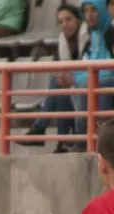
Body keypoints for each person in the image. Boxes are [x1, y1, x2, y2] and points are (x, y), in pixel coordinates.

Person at [19, 5, 85, 150]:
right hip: (74, 85)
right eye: (61, 22)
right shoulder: (62, 41)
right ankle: (61, 141)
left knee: (58, 84)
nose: (65, 25)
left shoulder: (88, 36)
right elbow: (59, 70)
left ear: (79, 19)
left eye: (69, 19)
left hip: (88, 82)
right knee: (59, 84)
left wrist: (69, 77)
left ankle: (42, 130)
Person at [57, 0, 114, 150]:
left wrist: (76, 78)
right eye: (86, 11)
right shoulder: (95, 34)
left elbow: (108, 68)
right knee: (62, 83)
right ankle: (69, 140)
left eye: (94, 10)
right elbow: (90, 63)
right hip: (102, 76)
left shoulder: (110, 32)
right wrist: (73, 77)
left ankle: (87, 141)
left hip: (109, 78)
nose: (89, 15)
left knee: (90, 85)